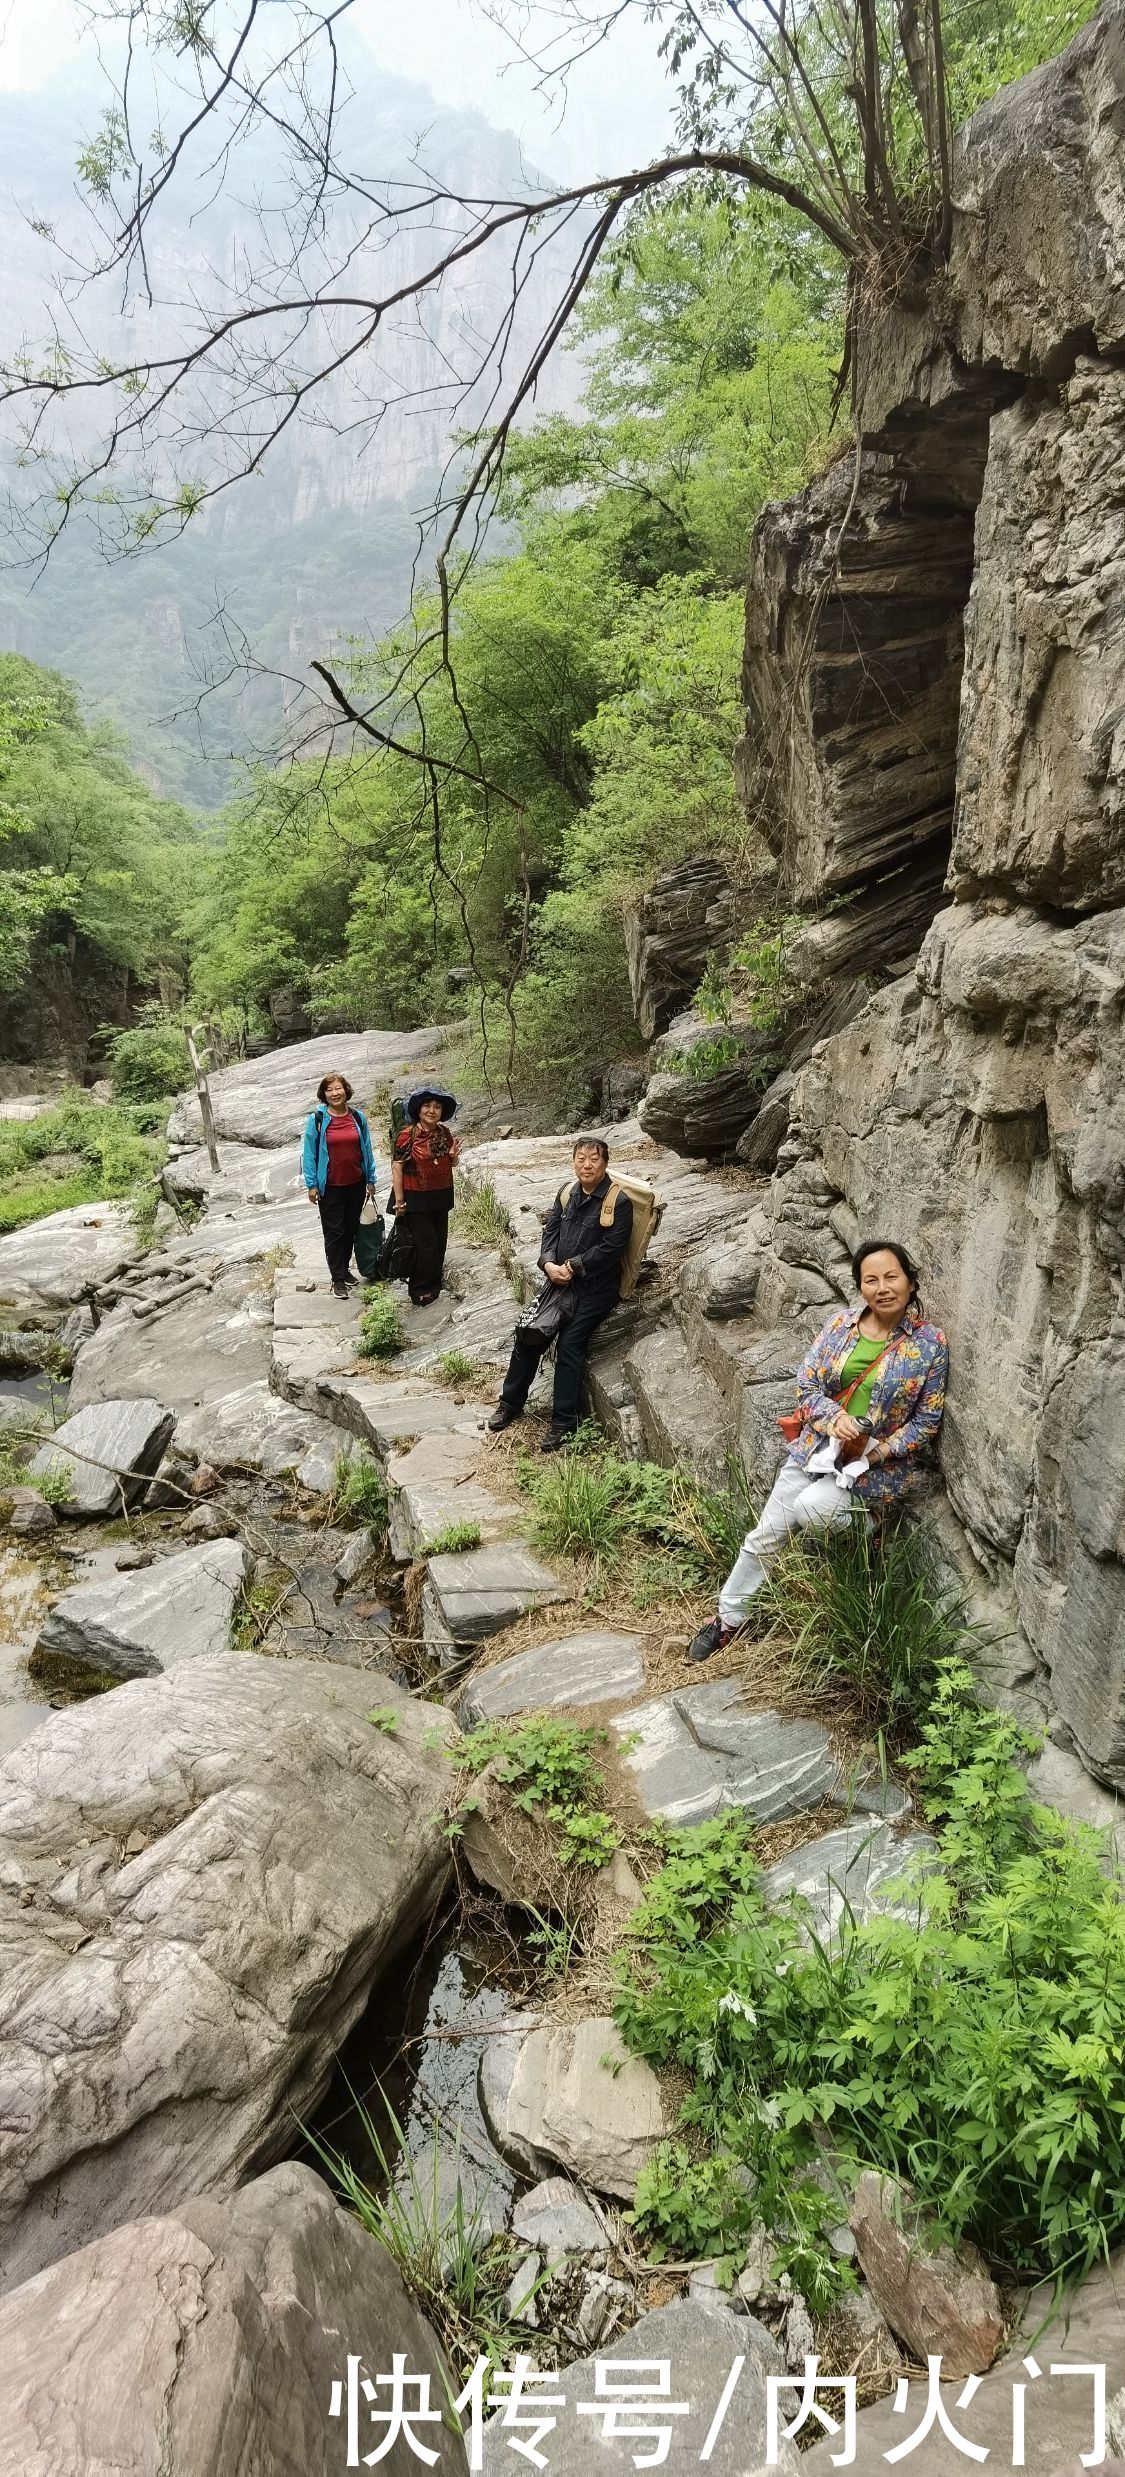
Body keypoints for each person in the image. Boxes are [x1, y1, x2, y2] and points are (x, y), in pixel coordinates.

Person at [687, 1238, 948, 1662]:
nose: (882, 1288)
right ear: (860, 1287)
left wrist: (878, 1451)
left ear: (911, 1283)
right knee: (765, 1536)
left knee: (812, 1508)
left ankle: (867, 1530)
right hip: (816, 1449)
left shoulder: (931, 1345)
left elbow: (926, 1422)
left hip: (873, 1467)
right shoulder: (839, 1326)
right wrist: (833, 1420)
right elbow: (806, 1387)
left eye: (891, 1277)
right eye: (871, 1280)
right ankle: (728, 1619)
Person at [488, 1135, 633, 1453]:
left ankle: (564, 1422)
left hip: (595, 1290)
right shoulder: (567, 1193)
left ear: (605, 1163)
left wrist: (574, 1266)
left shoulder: (617, 1201)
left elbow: (612, 1249)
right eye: (581, 1158)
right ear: (573, 1161)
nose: (587, 1164)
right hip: (558, 1281)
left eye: (594, 1159)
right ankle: (509, 1404)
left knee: (569, 1345)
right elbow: (550, 1232)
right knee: (529, 1333)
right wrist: (547, 1264)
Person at [301, 1071, 378, 1298]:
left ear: (346, 1090)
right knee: (334, 1232)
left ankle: (343, 1269)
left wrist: (370, 1178)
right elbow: (308, 1155)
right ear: (324, 1094)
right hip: (330, 1186)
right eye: (330, 1090)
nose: (335, 1093)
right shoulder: (317, 1119)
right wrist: (312, 1184)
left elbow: (366, 1148)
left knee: (351, 1229)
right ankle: (337, 1279)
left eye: (338, 1088)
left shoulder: (357, 1117)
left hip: (355, 1182)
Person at [391, 1085, 461, 1306]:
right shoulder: (406, 1135)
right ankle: (419, 1288)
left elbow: (450, 1162)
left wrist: (453, 1157)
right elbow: (397, 1168)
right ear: (419, 1110)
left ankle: (434, 1283)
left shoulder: (444, 1133)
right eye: (427, 1106)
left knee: (439, 1243)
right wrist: (400, 1201)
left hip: (440, 1194)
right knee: (426, 1244)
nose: (432, 1110)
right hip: (415, 1196)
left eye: (437, 1107)